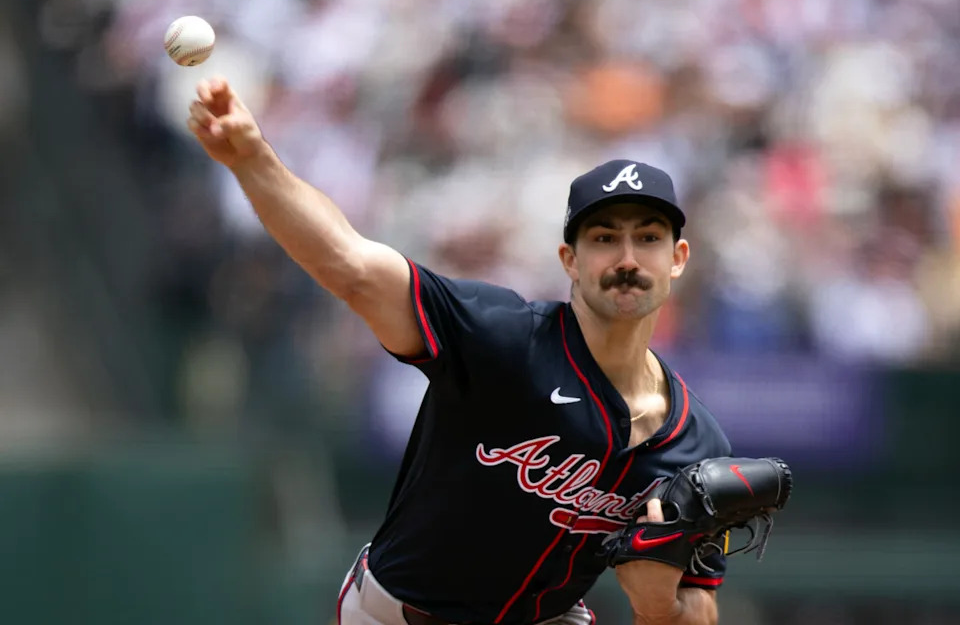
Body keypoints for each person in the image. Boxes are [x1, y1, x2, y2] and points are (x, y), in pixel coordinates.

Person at [187, 77, 731, 625]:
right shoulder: (501, 337)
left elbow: (699, 608)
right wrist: (254, 161)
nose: (628, 259)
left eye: (649, 238)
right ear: (569, 258)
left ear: (678, 257)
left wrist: (659, 602)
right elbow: (350, 265)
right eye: (604, 238)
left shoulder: (696, 442)